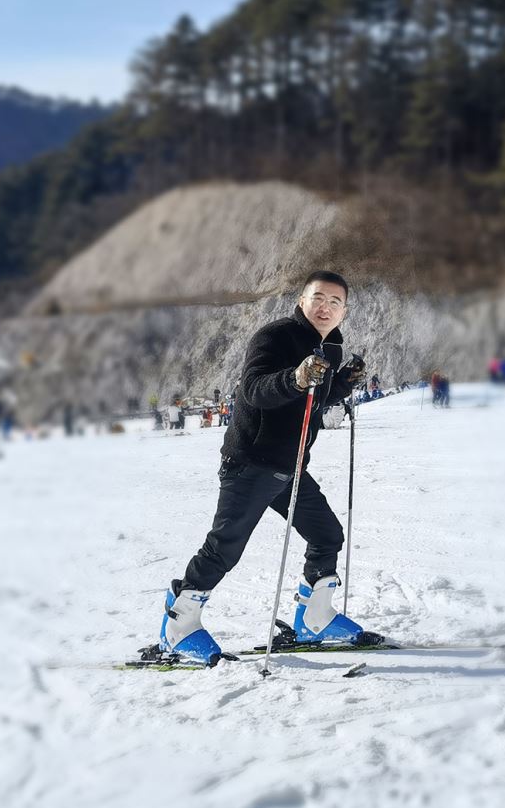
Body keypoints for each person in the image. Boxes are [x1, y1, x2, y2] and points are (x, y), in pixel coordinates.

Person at [157, 271, 373, 663]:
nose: (325, 307)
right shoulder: (274, 336)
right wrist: (295, 377)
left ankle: (315, 619)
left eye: (335, 302)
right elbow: (255, 390)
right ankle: (178, 627)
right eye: (318, 298)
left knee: (327, 535)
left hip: (290, 467)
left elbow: (314, 400)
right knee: (225, 548)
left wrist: (343, 383)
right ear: (302, 300)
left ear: (344, 311)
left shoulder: (330, 348)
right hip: (251, 463)